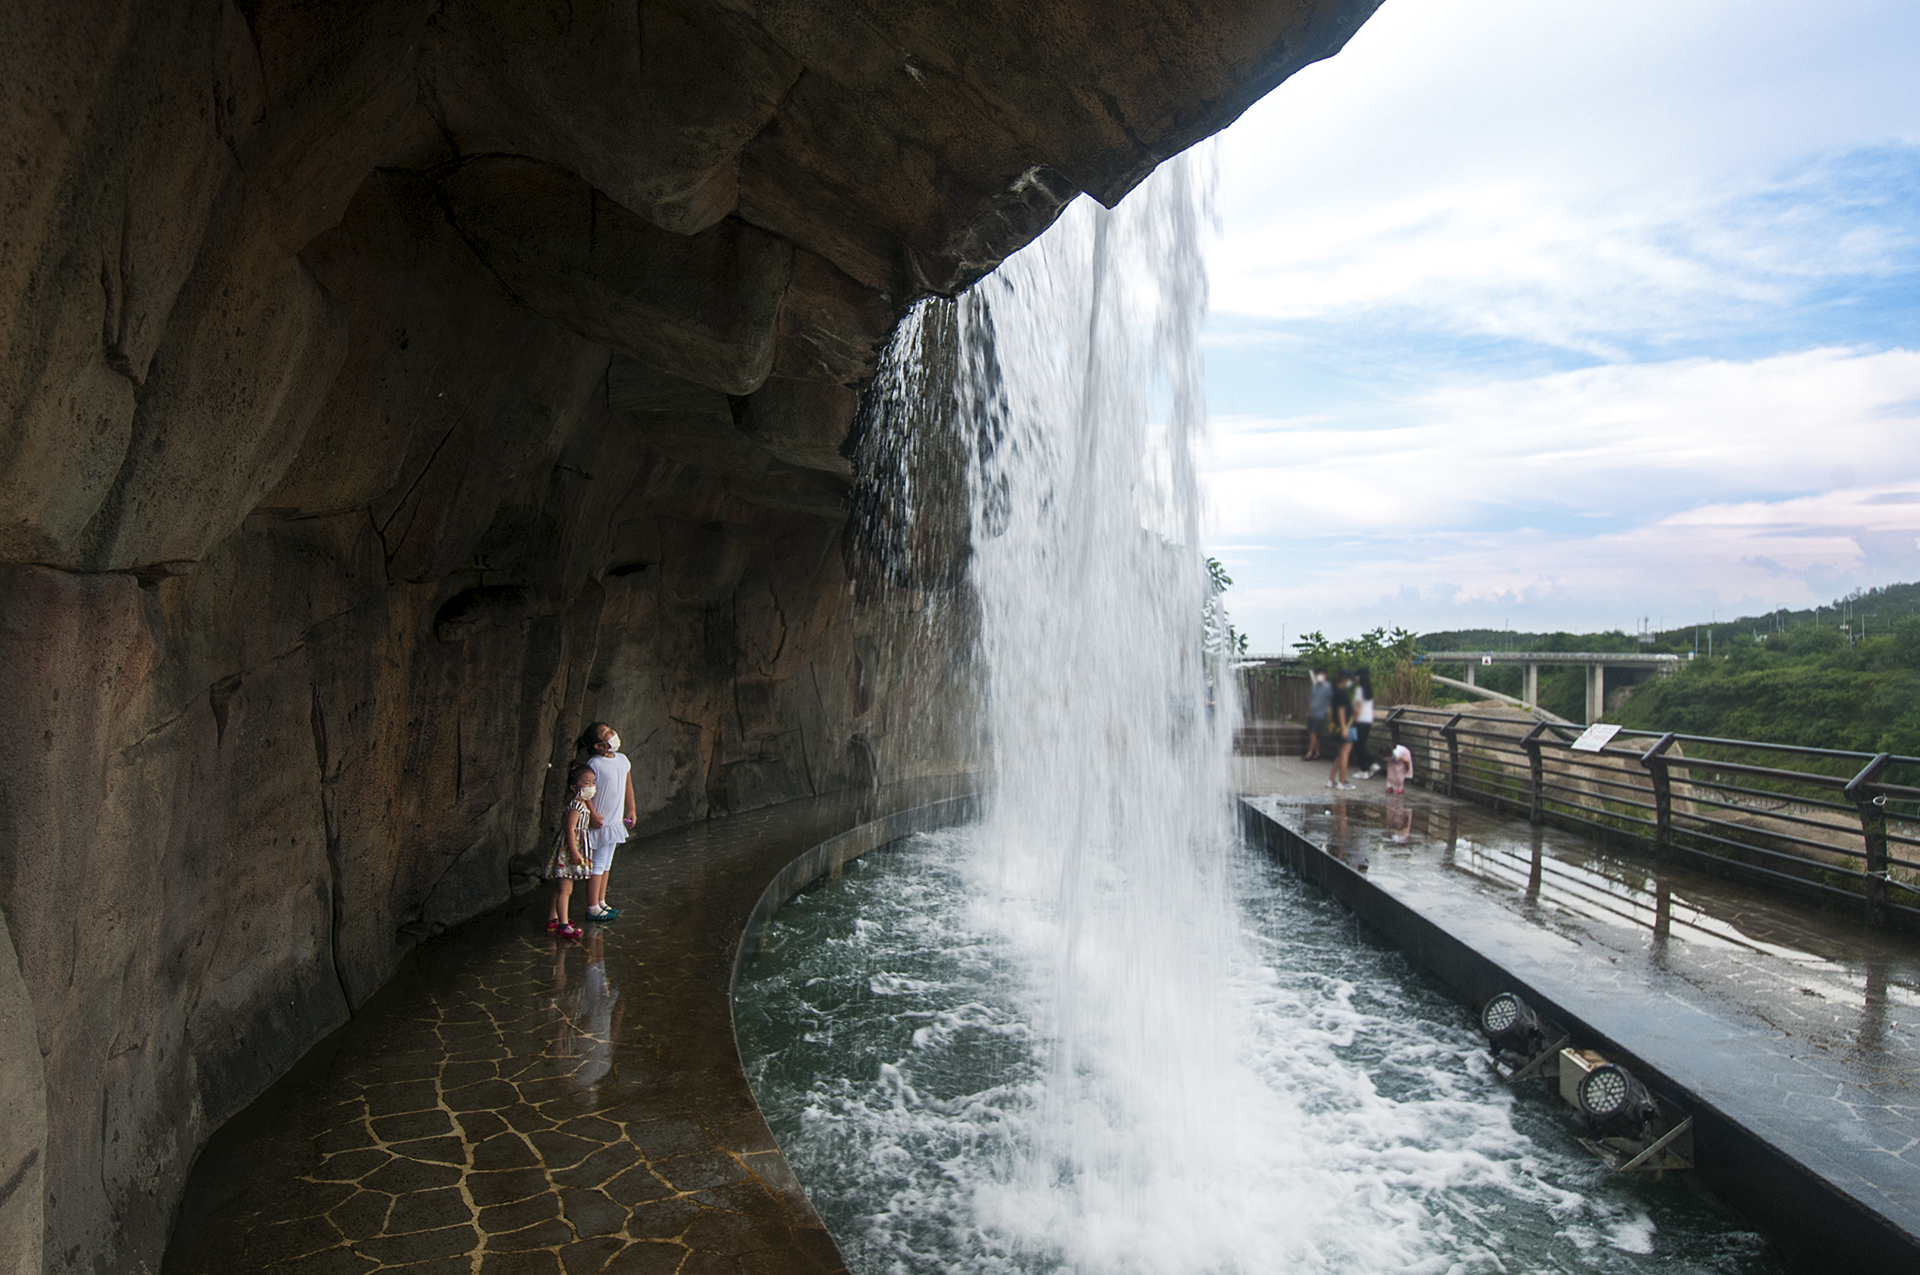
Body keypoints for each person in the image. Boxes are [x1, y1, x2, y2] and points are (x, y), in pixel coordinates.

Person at [579, 722, 637, 923]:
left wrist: (632, 809)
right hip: (601, 823)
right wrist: (592, 814)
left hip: (614, 822)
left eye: (610, 729)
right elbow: (587, 791)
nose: (612, 732)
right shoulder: (595, 764)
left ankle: (601, 901)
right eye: (605, 732)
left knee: (606, 864)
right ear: (598, 745)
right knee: (597, 864)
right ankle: (592, 907)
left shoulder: (623, 760)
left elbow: (628, 785)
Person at [545, 763, 594, 938]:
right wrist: (574, 851)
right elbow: (570, 829)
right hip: (569, 849)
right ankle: (564, 925)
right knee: (566, 889)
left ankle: (553, 918)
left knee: (561, 887)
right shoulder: (576, 806)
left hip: (573, 848)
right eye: (586, 783)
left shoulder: (583, 804)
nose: (591, 787)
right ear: (574, 787)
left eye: (593, 782)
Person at [1326, 670, 1356, 790]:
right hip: (1345, 727)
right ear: (1344, 679)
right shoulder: (1341, 693)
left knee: (1340, 755)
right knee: (1344, 755)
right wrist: (1344, 728)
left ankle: (1331, 780)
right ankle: (1342, 782)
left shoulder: (1335, 692)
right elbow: (1341, 711)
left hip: (1337, 727)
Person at [1351, 669, 1380, 778]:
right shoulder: (1369, 690)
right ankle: (1371, 765)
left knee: (1358, 745)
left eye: (1357, 676)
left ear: (1360, 677)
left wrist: (1353, 719)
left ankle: (1364, 769)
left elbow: (1358, 708)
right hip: (1368, 720)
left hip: (1360, 720)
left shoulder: (1359, 690)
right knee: (1361, 744)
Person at [1305, 668, 1332, 760]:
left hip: (1321, 714)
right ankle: (1317, 752)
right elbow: (1310, 699)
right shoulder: (1315, 687)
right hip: (1312, 713)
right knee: (1314, 734)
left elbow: (1331, 699)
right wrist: (1308, 711)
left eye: (1322, 674)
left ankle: (1310, 753)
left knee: (1314, 733)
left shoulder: (1328, 687)